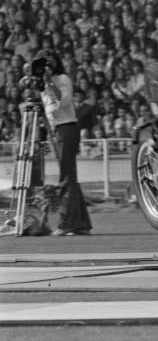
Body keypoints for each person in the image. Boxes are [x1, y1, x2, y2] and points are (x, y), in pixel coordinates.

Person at [37, 50, 92, 236]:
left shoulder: (62, 79)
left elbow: (65, 102)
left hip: (67, 127)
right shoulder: (42, 84)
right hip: (57, 129)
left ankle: (67, 223)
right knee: (70, 177)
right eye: (44, 64)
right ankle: (81, 224)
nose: (48, 68)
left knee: (66, 177)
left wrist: (50, 82)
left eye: (50, 64)